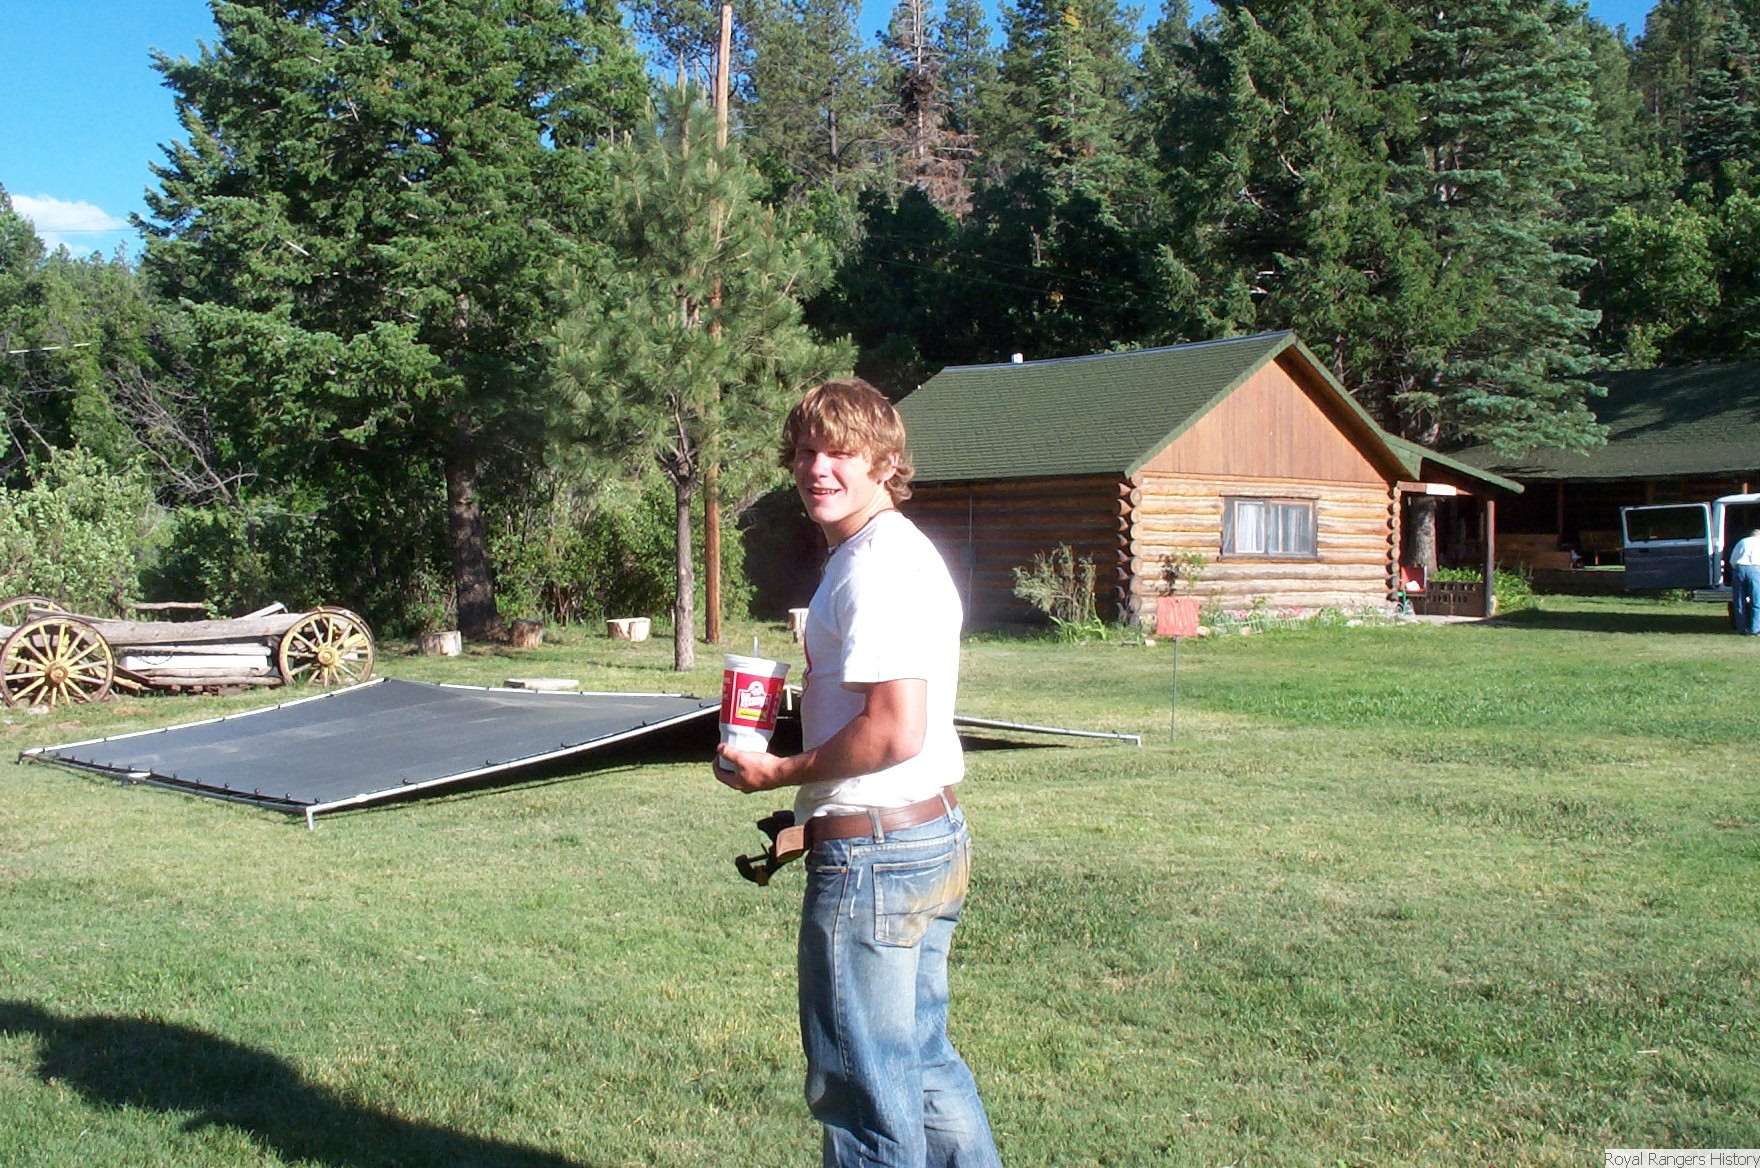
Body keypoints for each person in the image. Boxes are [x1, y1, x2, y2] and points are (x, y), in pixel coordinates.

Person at [714, 378, 1002, 1168]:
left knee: (863, 1093)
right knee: (922, 1066)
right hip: (920, 835)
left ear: (885, 463)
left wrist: (780, 772)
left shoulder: (876, 564)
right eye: (806, 452)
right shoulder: (885, 553)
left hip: (877, 857)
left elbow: (895, 730)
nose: (818, 469)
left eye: (840, 452)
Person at [1730, 527, 1760, 635]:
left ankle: (1741, 628)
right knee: (1756, 600)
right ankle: (1755, 629)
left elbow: (1732, 560)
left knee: (1739, 600)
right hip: (1755, 569)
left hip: (1739, 569)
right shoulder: (1758, 542)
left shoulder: (1741, 542)